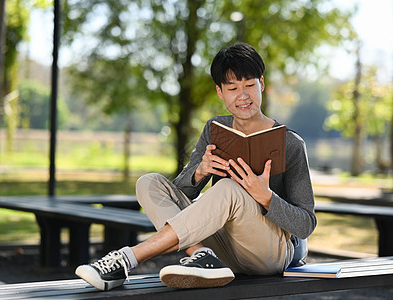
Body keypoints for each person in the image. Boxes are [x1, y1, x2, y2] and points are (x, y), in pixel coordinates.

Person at [75, 42, 316, 291]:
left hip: (269, 254)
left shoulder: (290, 143)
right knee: (149, 183)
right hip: (224, 247)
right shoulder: (216, 130)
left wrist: (265, 197)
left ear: (262, 85)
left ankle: (126, 259)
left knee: (228, 189)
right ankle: (202, 256)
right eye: (233, 88)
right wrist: (201, 171)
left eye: (249, 85)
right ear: (220, 92)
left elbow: (306, 224)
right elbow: (178, 194)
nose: (243, 96)